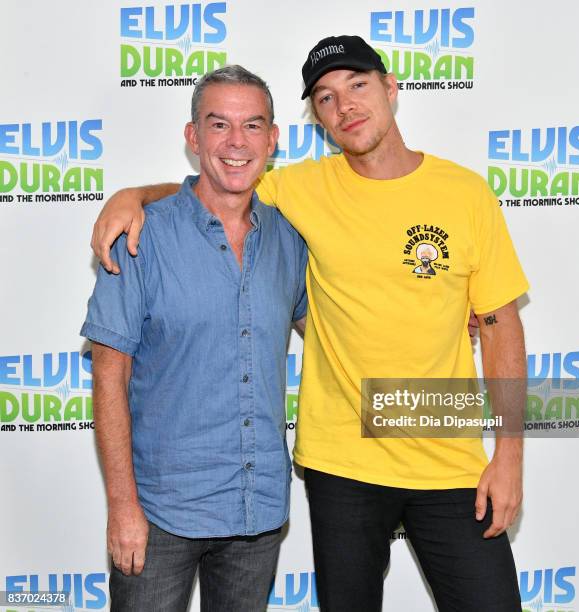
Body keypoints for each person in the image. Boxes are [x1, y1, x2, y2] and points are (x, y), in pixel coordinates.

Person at [91, 36, 528, 612]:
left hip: (447, 457)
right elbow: (214, 188)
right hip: (340, 465)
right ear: (315, 118)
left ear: (391, 88)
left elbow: (501, 328)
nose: (344, 105)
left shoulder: (466, 192)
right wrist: (131, 195)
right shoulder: (297, 189)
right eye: (325, 97)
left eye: (358, 86)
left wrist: (509, 457)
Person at [80, 65, 307, 612]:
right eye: (219, 124)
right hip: (161, 516)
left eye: (253, 126)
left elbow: (335, 328)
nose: (236, 142)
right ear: (193, 136)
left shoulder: (291, 237)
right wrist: (123, 507)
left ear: (273, 139)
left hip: (257, 510)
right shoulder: (141, 234)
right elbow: (110, 376)